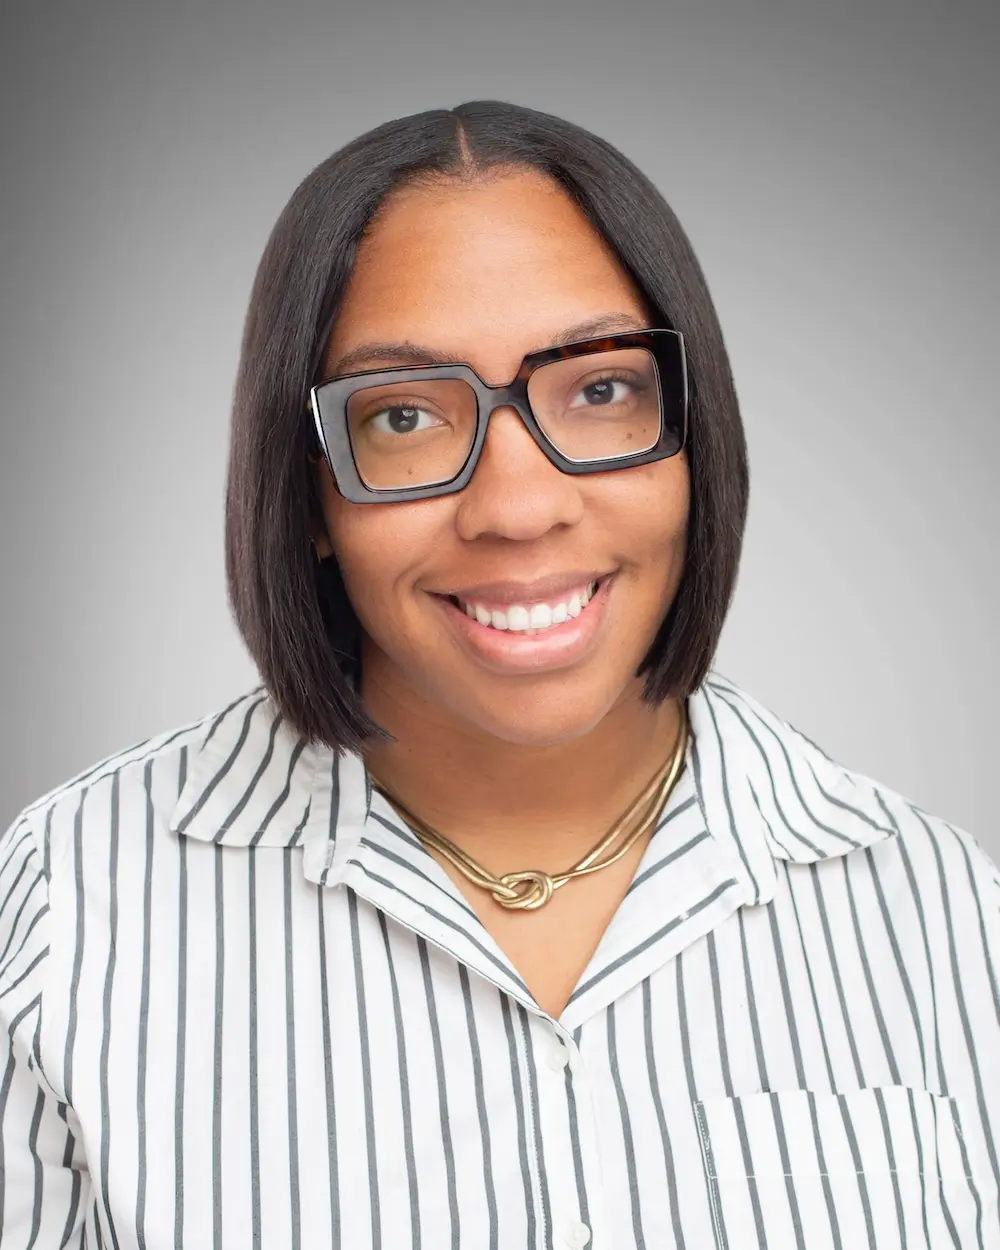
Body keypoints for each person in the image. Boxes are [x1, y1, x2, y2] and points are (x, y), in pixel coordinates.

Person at [1, 100, 997, 1250]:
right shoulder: (68, 906)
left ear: (693, 434)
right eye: (408, 415)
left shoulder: (940, 912)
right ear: (308, 493)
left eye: (602, 388)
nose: (519, 507)